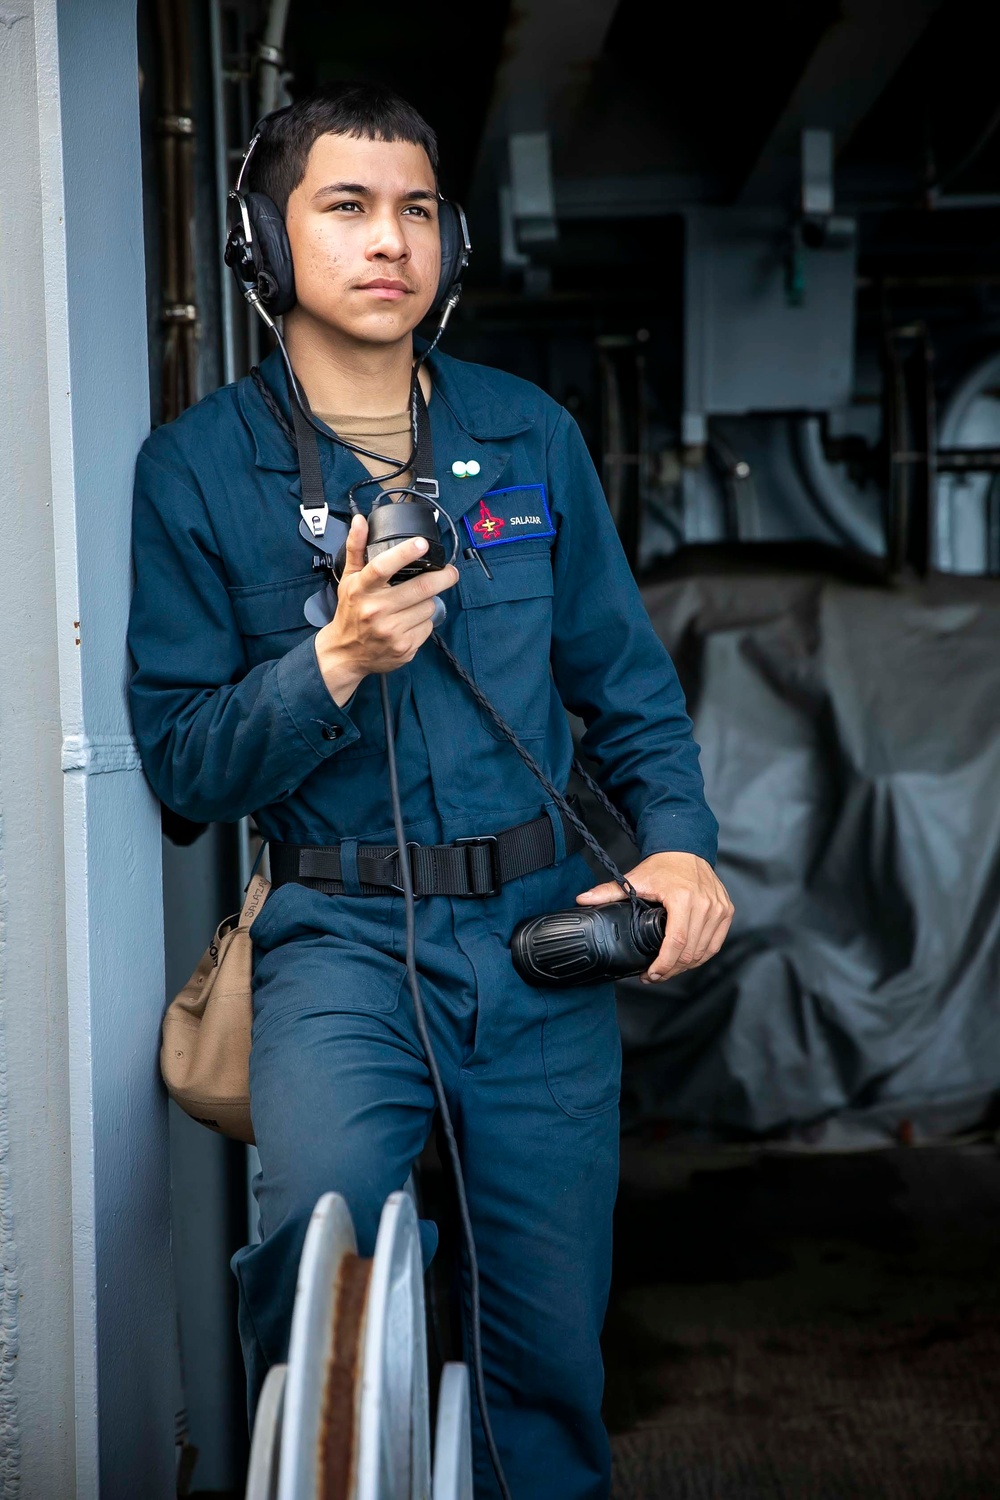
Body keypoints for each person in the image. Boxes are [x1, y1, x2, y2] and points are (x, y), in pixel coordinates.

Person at [128, 82, 733, 1500]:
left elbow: (628, 692)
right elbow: (181, 765)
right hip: (339, 946)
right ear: (264, 247)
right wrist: (332, 661)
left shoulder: (530, 437)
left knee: (549, 1360)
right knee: (322, 1259)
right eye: (345, 206)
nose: (388, 238)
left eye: (415, 209)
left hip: (541, 941)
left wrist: (684, 854)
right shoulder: (197, 473)